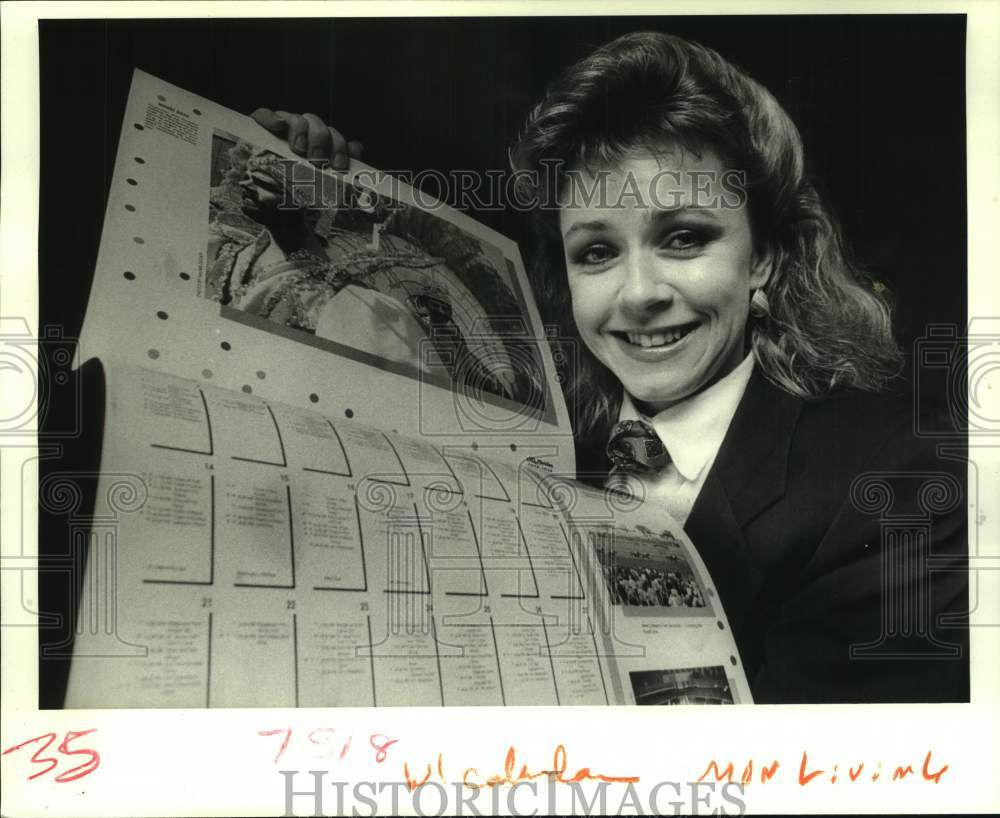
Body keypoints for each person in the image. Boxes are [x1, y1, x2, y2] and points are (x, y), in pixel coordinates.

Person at [252, 31, 968, 703]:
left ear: (765, 260)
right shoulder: (531, 447)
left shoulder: (894, 481)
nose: (638, 295)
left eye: (683, 238)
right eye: (596, 252)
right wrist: (292, 166)